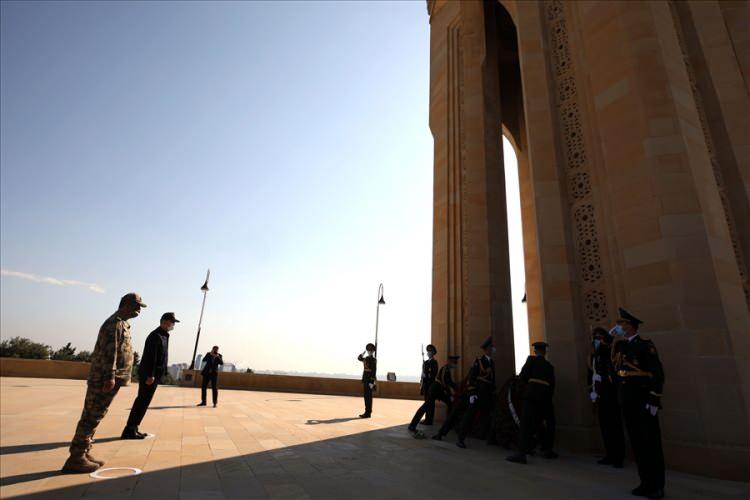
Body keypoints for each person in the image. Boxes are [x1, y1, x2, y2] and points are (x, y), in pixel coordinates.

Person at [62, 293, 146, 473]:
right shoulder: (113, 324)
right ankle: (76, 458)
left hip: (109, 379)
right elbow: (110, 352)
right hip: (103, 379)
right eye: (137, 306)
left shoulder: (122, 324)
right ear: (126, 305)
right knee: (91, 416)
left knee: (96, 415)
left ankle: (84, 452)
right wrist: (110, 376)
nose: (139, 310)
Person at [611, 308, 665, 499]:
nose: (619, 326)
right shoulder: (622, 346)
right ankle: (645, 482)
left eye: (622, 324)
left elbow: (657, 373)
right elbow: (615, 367)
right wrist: (611, 339)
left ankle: (657, 486)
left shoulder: (645, 345)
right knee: (637, 444)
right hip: (628, 400)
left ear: (631, 325)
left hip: (643, 400)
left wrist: (654, 398)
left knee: (651, 444)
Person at [122, 312, 179, 439]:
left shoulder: (164, 335)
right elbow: (150, 357)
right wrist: (150, 375)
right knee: (142, 401)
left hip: (154, 375)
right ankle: (130, 429)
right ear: (164, 322)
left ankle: (134, 428)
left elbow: (162, 356)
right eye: (172, 322)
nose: (173, 325)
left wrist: (162, 372)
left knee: (144, 402)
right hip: (149, 375)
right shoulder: (156, 335)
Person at [507, 341, 557, 464]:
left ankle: (521, 453)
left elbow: (523, 376)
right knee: (547, 423)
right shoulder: (550, 366)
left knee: (525, 424)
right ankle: (547, 449)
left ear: (535, 351)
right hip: (545, 397)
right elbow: (552, 385)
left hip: (531, 395)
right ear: (545, 352)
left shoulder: (531, 360)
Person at [589, 326, 625, 468]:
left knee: (615, 426)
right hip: (600, 394)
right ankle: (609, 454)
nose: (597, 340)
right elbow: (591, 375)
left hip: (611, 392)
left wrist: (608, 336)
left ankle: (618, 457)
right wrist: (592, 392)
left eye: (599, 337)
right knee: (605, 426)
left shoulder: (609, 352)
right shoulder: (593, 357)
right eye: (595, 338)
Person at [455, 337, 496, 448]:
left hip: (488, 394)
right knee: (469, 416)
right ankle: (460, 439)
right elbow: (471, 378)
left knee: (488, 416)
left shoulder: (491, 362)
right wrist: (472, 393)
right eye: (492, 347)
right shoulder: (479, 361)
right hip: (478, 393)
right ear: (487, 349)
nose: (493, 349)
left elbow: (492, 380)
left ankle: (486, 436)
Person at [409, 355, 459, 432]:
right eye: (454, 362)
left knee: (450, 403)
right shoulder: (445, 369)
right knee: (425, 407)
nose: (455, 364)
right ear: (449, 362)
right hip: (435, 390)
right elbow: (445, 382)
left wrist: (455, 389)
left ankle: (449, 424)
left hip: (439, 390)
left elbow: (449, 383)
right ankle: (412, 425)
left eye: (455, 363)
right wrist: (450, 393)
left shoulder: (447, 370)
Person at [419, 344, 439, 425]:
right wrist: (422, 378)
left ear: (433, 353)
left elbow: (433, 374)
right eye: (428, 351)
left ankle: (430, 420)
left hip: (431, 385)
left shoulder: (434, 362)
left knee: (431, 403)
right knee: (426, 402)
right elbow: (423, 373)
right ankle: (427, 418)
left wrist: (426, 375)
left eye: (430, 351)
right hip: (425, 385)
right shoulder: (426, 362)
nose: (428, 353)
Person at [357, 343, 377, 418]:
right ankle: (366, 412)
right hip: (365, 379)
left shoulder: (373, 360)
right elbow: (359, 358)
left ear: (373, 351)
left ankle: (368, 413)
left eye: (371, 351)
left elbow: (374, 371)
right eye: (368, 350)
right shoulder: (366, 358)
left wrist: (372, 382)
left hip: (369, 380)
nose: (369, 352)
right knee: (366, 397)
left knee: (369, 397)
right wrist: (363, 353)